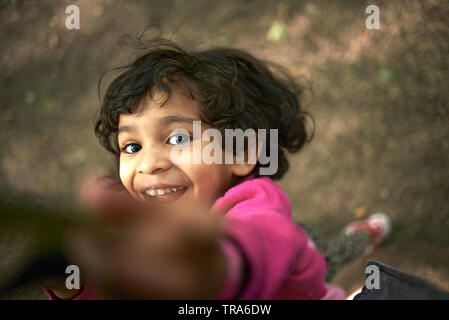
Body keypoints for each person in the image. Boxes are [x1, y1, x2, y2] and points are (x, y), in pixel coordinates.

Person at [44, 36, 390, 300]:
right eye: (131, 146)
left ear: (241, 152)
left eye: (178, 139)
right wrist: (74, 287)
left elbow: (259, 239)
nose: (149, 163)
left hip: (295, 269)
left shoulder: (260, 204)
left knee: (328, 253)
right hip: (295, 256)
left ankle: (362, 236)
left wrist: (218, 266)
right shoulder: (131, 221)